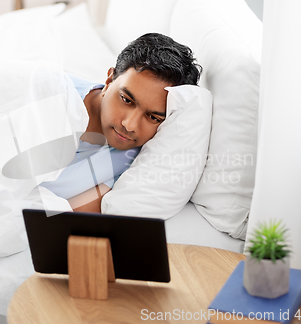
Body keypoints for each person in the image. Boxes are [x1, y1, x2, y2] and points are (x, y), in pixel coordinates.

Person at [41, 33, 202, 213]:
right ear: (109, 80)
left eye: (153, 117)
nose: (130, 125)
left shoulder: (131, 163)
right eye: (126, 100)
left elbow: (59, 219)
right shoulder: (48, 95)